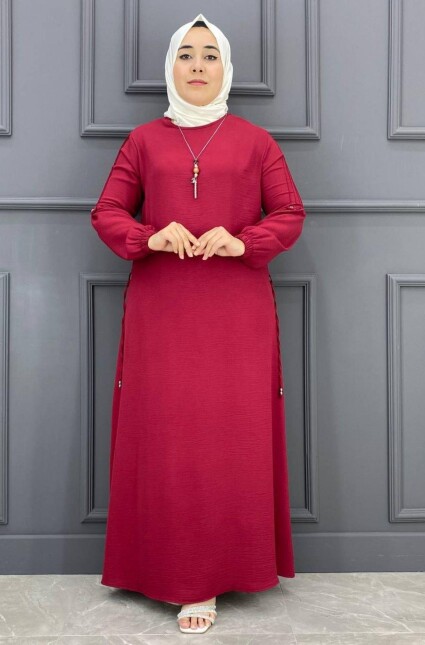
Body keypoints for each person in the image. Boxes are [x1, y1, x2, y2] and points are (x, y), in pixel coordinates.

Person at [91, 12, 306, 635]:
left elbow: (290, 212)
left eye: (210, 55)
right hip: (162, 311)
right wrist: (151, 235)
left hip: (235, 313)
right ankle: (167, 569)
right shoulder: (143, 141)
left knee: (227, 435)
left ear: (225, 67)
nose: (198, 66)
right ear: (171, 65)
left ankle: (211, 576)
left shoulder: (256, 142)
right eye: (186, 54)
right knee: (166, 435)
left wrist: (243, 241)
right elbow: (107, 211)